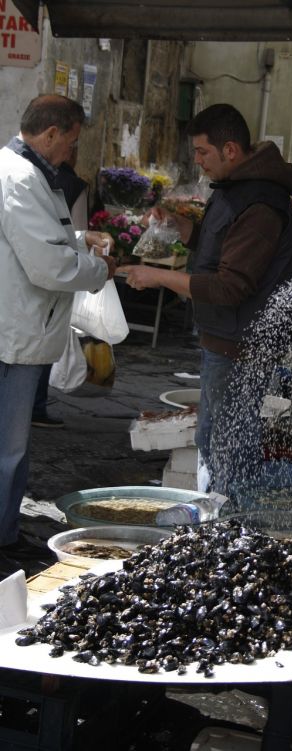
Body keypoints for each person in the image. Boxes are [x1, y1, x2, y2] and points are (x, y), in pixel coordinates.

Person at [121, 103, 292, 492]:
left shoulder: (262, 203)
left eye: (203, 153)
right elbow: (218, 246)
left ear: (231, 150)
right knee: (214, 438)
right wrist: (182, 226)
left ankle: (233, 520)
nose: (198, 162)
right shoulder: (234, 189)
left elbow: (229, 286)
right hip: (225, 338)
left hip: (242, 344)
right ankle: (222, 516)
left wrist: (159, 276)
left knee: (227, 445)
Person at [0, 94, 116, 569]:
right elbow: (48, 266)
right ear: (49, 134)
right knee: (9, 450)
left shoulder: (27, 173)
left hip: (22, 326)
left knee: (14, 448)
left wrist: (76, 238)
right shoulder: (20, 177)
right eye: (70, 142)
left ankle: (6, 531)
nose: (71, 152)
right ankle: (2, 539)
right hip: (15, 333)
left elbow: (35, 236)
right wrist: (98, 270)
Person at [31, 149, 90, 428]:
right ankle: (37, 406)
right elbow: (78, 235)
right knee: (45, 341)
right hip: (57, 274)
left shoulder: (32, 180)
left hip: (30, 276)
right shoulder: (74, 186)